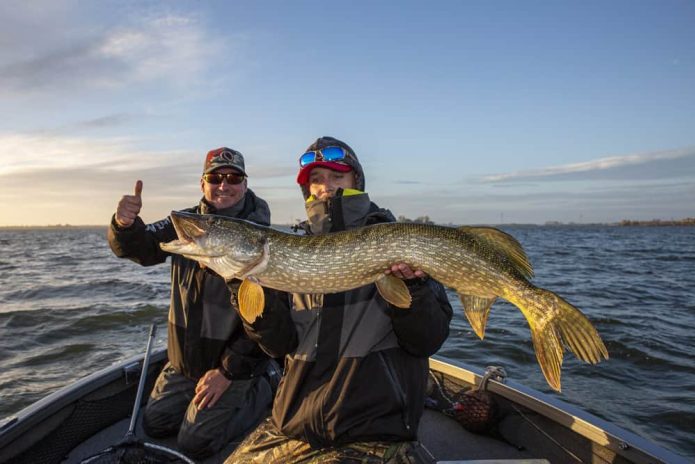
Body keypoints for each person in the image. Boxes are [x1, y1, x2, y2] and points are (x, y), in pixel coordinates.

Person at [225, 137, 454, 463]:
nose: (325, 187)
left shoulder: (394, 239)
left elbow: (427, 340)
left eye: (337, 176)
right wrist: (239, 285)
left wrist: (414, 288)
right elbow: (278, 345)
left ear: (355, 181)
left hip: (373, 431)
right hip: (295, 424)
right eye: (316, 180)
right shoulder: (287, 253)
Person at [108, 147, 279, 460]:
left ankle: (266, 383)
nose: (223, 184)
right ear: (203, 184)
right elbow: (142, 248)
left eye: (233, 177)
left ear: (244, 184)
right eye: (215, 177)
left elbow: (270, 322)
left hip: (236, 363)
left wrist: (228, 372)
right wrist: (124, 224)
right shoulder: (187, 225)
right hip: (187, 360)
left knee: (194, 443)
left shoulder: (262, 240)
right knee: (155, 423)